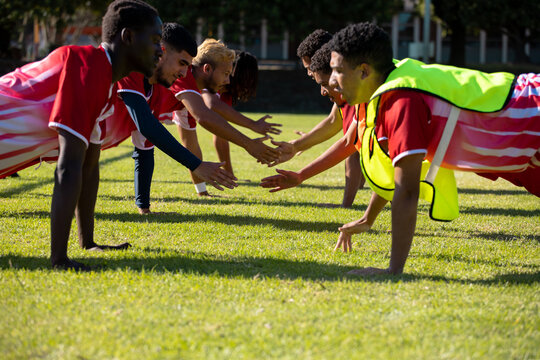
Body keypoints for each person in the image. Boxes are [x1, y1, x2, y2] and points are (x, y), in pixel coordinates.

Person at [0, 0, 234, 270]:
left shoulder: (107, 86)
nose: (160, 51)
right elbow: (68, 167)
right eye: (156, 41)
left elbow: (88, 167)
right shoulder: (86, 64)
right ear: (129, 38)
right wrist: (60, 259)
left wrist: (88, 243)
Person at [325, 22, 539, 275]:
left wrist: (393, 270)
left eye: (337, 71)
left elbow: (407, 191)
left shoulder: (401, 100)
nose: (331, 82)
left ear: (363, 71)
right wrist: (368, 219)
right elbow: (399, 175)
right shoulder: (391, 85)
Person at [101, 23, 237, 214]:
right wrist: (197, 164)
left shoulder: (154, 91)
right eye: (182, 63)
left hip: (71, 139)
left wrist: (144, 208)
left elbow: (145, 147)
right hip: (56, 127)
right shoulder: (130, 69)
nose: (183, 73)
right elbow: (149, 127)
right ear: (162, 51)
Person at [170, 39, 280, 196]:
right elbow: (209, 109)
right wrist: (251, 132)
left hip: (170, 109)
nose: (228, 80)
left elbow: (216, 134)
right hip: (147, 105)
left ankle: (200, 192)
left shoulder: (211, 85)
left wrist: (227, 176)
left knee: (150, 145)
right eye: (227, 74)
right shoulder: (196, 80)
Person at [272, 31, 365, 207]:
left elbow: (348, 144)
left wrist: (301, 175)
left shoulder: (359, 87)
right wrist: (297, 145)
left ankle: (349, 203)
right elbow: (333, 121)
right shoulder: (351, 83)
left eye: (309, 67)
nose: (308, 72)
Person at [201, 51, 282, 180]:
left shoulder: (226, 93)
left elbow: (220, 134)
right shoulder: (213, 82)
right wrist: (252, 125)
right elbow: (212, 105)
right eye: (247, 76)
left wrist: (229, 175)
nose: (249, 82)